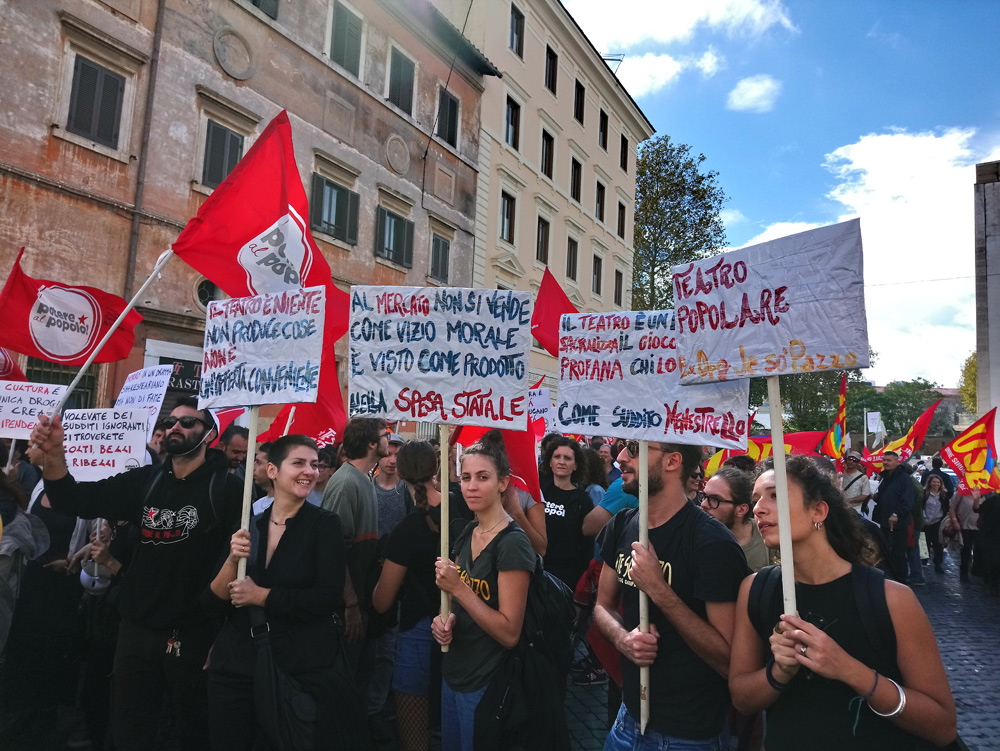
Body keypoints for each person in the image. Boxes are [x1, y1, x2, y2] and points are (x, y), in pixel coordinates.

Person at [28, 397, 242, 750]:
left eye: (188, 423)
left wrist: (222, 637)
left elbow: (237, 568)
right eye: (171, 421)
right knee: (129, 726)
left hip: (192, 633)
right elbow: (76, 499)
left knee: (190, 727)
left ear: (210, 436)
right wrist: (53, 456)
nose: (175, 426)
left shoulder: (228, 490)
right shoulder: (147, 480)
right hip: (136, 629)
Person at [728, 456, 957, 750]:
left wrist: (848, 669)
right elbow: (743, 700)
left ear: (818, 511)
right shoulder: (756, 590)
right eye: (756, 498)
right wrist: (778, 672)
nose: (758, 508)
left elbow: (942, 726)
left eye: (775, 495)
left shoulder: (892, 599)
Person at [207, 434, 367, 749]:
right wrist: (232, 558)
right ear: (272, 471)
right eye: (299, 463)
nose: (310, 471)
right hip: (236, 665)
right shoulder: (248, 524)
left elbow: (325, 598)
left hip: (297, 670)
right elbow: (213, 600)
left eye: (314, 464)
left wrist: (261, 596)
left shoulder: (324, 525)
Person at [595, 440, 748, 750]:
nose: (621, 458)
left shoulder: (711, 543)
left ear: (672, 461)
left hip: (688, 735)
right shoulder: (622, 525)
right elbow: (602, 605)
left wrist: (659, 590)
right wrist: (623, 639)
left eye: (634, 449)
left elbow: (728, 659)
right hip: (627, 721)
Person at [432, 431, 535, 751]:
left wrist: (459, 589)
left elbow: (509, 632)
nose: (471, 486)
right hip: (454, 673)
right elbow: (457, 605)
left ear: (503, 483)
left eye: (482, 477)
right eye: (465, 477)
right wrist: (443, 623)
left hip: (487, 681)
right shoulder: (467, 531)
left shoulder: (513, 543)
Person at [372, 440, 442, 751]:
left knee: (414, 736)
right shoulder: (463, 509)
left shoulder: (406, 531)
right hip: (467, 627)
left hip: (418, 630)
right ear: (436, 469)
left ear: (400, 472)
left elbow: (381, 601)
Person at [321, 417, 389, 681]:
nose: (388, 439)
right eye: (386, 434)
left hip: (360, 604)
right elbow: (335, 549)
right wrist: (350, 604)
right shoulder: (346, 483)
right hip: (345, 611)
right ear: (372, 444)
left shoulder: (363, 479)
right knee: (343, 685)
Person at [539, 437, 595, 589]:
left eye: (568, 458)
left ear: (576, 465)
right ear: (550, 462)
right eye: (557, 457)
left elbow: (586, 545)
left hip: (567, 578)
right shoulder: (540, 493)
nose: (561, 461)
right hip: (537, 569)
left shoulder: (583, 501)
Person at [701, 466, 772, 573]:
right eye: (704, 496)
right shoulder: (696, 536)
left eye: (715, 499)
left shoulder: (768, 536)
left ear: (741, 510)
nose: (704, 504)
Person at [872, 451, 913, 584]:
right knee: (884, 551)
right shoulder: (885, 477)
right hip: (883, 522)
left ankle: (901, 581)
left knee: (898, 553)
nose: (885, 462)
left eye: (889, 460)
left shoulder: (904, 478)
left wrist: (896, 514)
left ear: (897, 462)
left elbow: (908, 500)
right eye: (884, 460)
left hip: (897, 523)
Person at [947, 488, 980, 583]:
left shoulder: (985, 494)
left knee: (980, 550)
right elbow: (952, 507)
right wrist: (954, 521)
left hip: (980, 527)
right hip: (965, 526)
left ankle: (977, 571)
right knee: (966, 550)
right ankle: (964, 572)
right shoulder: (961, 493)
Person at [972, 489, 1000, 596]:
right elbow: (977, 509)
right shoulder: (995, 500)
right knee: (995, 562)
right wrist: (976, 499)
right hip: (992, 536)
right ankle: (994, 584)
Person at [921, 475, 950, 574]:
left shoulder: (943, 494)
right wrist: (924, 518)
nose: (936, 484)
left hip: (938, 521)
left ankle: (938, 563)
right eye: (934, 482)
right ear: (929, 483)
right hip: (926, 521)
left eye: (938, 482)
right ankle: (924, 558)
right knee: (925, 541)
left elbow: (946, 507)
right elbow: (921, 506)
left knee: (938, 543)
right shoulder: (925, 493)